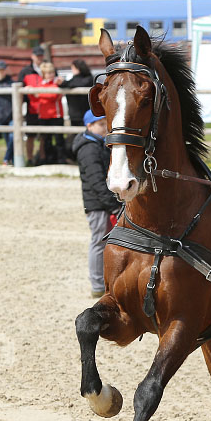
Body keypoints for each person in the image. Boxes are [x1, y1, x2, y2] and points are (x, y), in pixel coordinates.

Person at [74, 109, 120, 298]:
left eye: (105, 124)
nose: (105, 128)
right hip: (98, 205)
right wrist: (112, 205)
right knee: (99, 242)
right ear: (89, 126)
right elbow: (97, 182)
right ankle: (97, 284)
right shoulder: (89, 149)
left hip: (103, 202)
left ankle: (104, 281)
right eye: (101, 124)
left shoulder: (99, 144)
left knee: (105, 241)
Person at [24, 62, 65, 165]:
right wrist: (30, 91)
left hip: (56, 115)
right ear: (43, 74)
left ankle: (61, 161)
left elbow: (53, 95)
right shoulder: (41, 84)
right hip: (44, 116)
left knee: (59, 140)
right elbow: (34, 98)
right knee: (46, 140)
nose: (50, 75)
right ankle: (47, 161)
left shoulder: (57, 82)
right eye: (48, 73)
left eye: (52, 72)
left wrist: (38, 93)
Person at [19, 46, 46, 164]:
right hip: (32, 107)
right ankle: (29, 159)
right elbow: (19, 88)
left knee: (44, 135)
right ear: (32, 56)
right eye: (37, 56)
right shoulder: (26, 71)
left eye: (41, 56)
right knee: (30, 134)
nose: (39, 58)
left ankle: (42, 157)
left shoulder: (48, 68)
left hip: (45, 107)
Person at [58, 59, 93, 128]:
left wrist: (63, 83)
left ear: (78, 68)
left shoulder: (88, 79)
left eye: (73, 68)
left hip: (84, 111)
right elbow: (66, 84)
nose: (72, 70)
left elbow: (76, 83)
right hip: (75, 113)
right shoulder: (75, 79)